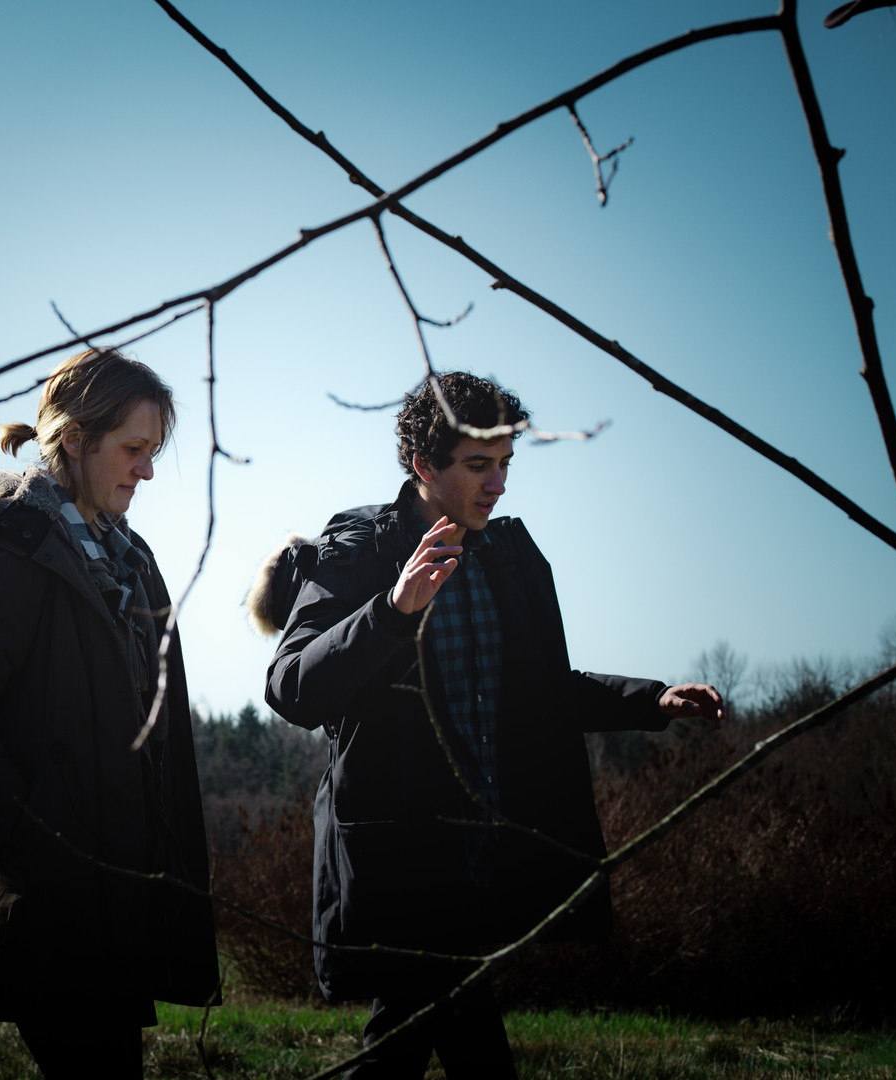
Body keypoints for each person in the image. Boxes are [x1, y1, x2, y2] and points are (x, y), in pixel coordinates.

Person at [250, 371, 721, 1079]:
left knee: (406, 1037)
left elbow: (537, 692)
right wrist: (392, 611)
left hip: (483, 855)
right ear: (423, 465)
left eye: (505, 463)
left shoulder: (505, 558)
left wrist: (649, 702)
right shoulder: (358, 549)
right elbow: (291, 687)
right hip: (400, 859)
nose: (498, 484)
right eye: (479, 465)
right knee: (446, 1040)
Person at [0, 347, 220, 1078]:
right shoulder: (14, 549)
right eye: (134, 450)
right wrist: (25, 843)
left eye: (153, 452)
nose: (147, 471)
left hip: (115, 896)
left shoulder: (130, 559)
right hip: (49, 901)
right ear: (75, 440)